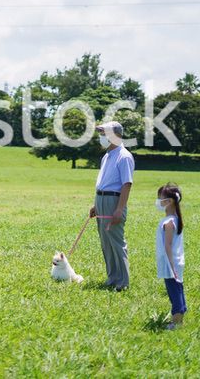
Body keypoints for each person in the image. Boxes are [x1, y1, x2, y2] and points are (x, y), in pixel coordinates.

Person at [89, 120, 134, 291]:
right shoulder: (107, 156)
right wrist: (96, 204)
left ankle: (123, 282)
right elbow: (103, 182)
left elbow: (126, 184)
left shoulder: (124, 156)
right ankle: (112, 277)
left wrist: (120, 208)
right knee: (105, 241)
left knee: (116, 241)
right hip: (101, 200)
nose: (102, 137)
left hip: (114, 201)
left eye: (104, 133)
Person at [156, 182, 186, 330]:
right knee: (177, 289)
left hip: (171, 263)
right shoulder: (175, 219)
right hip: (174, 262)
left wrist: (171, 266)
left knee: (174, 291)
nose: (158, 201)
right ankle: (179, 317)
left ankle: (177, 321)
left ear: (169, 201)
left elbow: (168, 245)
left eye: (160, 198)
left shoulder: (169, 222)